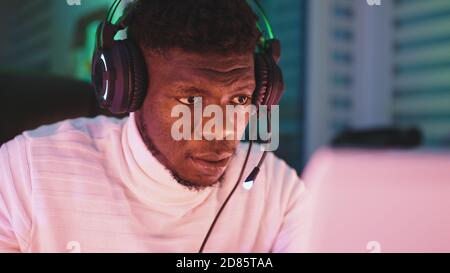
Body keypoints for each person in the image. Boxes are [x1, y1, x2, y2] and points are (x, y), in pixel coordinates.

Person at [0, 0, 309, 253]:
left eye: (240, 99)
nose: (222, 130)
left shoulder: (276, 189)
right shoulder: (26, 173)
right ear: (129, 88)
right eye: (191, 101)